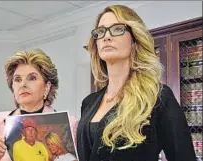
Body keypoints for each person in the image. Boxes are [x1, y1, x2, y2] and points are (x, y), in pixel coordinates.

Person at [76, 5, 196, 161]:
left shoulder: (158, 97)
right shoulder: (88, 102)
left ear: (134, 40)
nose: (106, 36)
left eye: (117, 29)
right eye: (100, 31)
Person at [0, 48, 78, 161]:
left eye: (32, 78)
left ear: (47, 87)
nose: (23, 84)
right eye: (17, 79)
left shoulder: (71, 124)